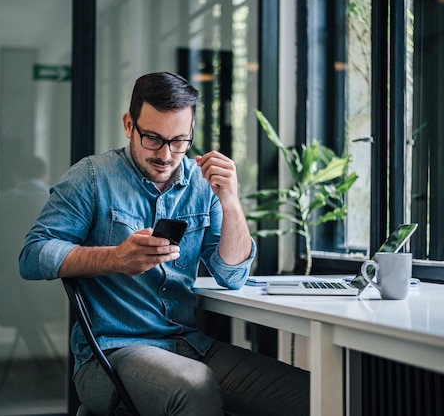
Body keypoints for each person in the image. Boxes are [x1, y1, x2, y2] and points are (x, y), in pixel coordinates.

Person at [19, 72, 309, 415]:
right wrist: (115, 258)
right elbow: (33, 255)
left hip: (188, 345)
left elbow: (232, 275)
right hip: (109, 354)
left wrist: (230, 200)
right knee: (193, 385)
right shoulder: (92, 178)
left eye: (179, 141)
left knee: (309, 394)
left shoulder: (203, 187)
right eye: (153, 139)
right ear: (129, 125)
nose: (166, 154)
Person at [0, 156, 65, 358]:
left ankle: (42, 359)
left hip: (8, 300)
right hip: (59, 298)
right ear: (45, 177)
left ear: (16, 177)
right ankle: (47, 362)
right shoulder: (59, 202)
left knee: (18, 293)